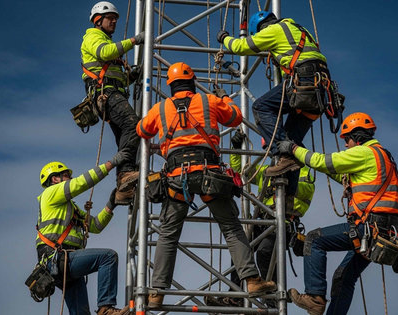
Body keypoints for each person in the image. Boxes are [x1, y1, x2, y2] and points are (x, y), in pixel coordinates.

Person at [136, 62, 277, 308]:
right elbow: (235, 117)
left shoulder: (160, 108)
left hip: (176, 177)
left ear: (171, 86)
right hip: (208, 173)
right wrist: (223, 96)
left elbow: (142, 130)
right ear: (192, 82)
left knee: (168, 235)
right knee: (232, 229)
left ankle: (156, 293)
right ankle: (252, 280)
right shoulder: (209, 101)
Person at [277, 112, 398, 315]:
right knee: (343, 277)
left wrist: (293, 149)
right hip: (384, 232)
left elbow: (322, 161)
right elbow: (342, 175)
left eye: (347, 139)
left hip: (368, 228)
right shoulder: (383, 155)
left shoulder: (363, 153)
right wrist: (305, 159)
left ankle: (314, 298)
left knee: (314, 240)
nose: (345, 144)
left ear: (358, 137)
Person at [216, 11, 331, 198]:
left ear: (261, 28)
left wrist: (224, 38)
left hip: (303, 82)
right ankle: (288, 199)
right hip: (319, 92)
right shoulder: (297, 29)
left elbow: (241, 46)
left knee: (261, 107)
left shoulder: (275, 30)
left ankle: (282, 155)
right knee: (294, 146)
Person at [208, 131, 315, 308]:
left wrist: (282, 178)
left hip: (283, 221)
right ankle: (236, 297)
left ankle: (271, 302)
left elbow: (304, 190)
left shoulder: (302, 169)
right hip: (262, 219)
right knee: (241, 252)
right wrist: (236, 151)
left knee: (266, 253)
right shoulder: (271, 168)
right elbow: (244, 173)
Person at [36, 149, 131, 315]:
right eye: (66, 175)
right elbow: (81, 183)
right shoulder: (50, 194)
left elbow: (95, 226)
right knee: (108, 257)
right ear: (55, 179)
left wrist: (111, 204)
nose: (70, 178)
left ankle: (105, 309)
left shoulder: (68, 208)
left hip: (63, 263)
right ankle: (106, 308)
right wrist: (111, 164)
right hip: (58, 258)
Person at [81, 1, 145, 204]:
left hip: (113, 92)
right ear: (98, 20)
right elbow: (104, 53)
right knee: (133, 125)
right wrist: (134, 40)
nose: (114, 21)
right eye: (110, 18)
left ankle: (124, 185)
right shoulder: (93, 37)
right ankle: (126, 174)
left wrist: (131, 76)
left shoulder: (107, 42)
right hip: (105, 94)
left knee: (126, 138)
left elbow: (114, 76)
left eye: (115, 18)